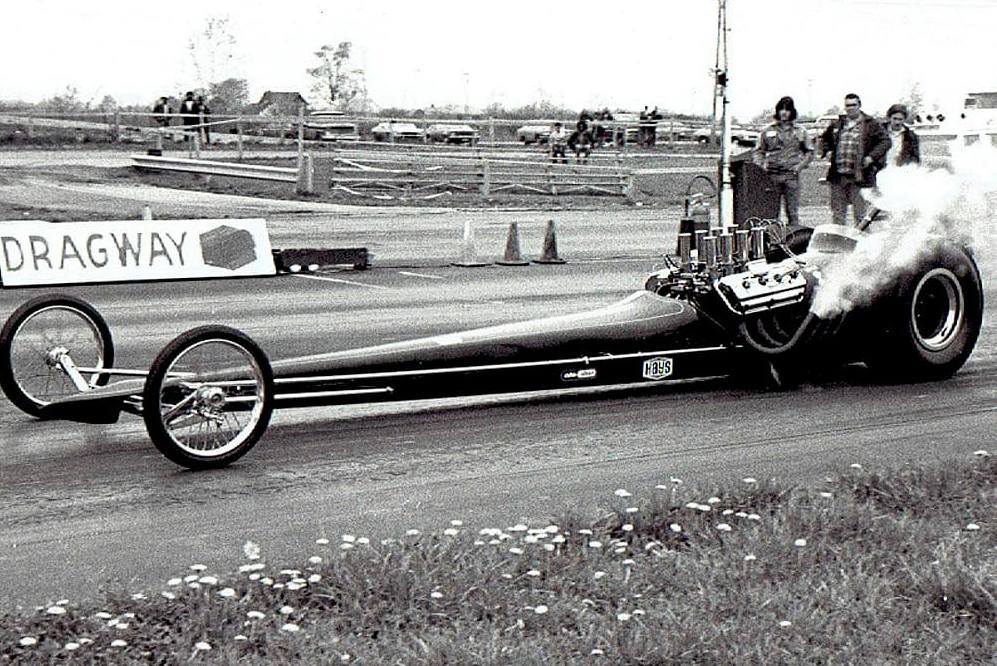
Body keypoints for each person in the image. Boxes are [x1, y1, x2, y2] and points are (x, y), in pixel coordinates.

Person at [820, 93, 890, 226]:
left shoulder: (871, 124)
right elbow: (824, 139)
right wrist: (827, 151)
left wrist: (871, 157)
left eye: (853, 105)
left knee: (860, 216)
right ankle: (839, 238)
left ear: (859, 105)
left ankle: (862, 239)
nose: (850, 108)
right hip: (838, 176)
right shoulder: (838, 124)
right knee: (838, 214)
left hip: (860, 176)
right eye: (848, 105)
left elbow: (885, 141)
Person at [753, 96, 813, 225]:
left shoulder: (800, 131)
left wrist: (799, 166)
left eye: (787, 109)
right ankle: (773, 236)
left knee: (792, 212)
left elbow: (809, 152)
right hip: (772, 175)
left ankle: (794, 235)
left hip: (791, 175)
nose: (784, 113)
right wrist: (761, 166)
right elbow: (758, 151)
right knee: (771, 212)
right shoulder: (768, 130)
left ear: (792, 112)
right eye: (781, 109)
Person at [883, 103, 920, 168]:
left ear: (905, 119)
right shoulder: (879, 132)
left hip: (901, 169)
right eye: (895, 118)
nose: (897, 122)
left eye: (900, 119)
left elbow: (915, 158)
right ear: (889, 118)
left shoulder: (911, 136)